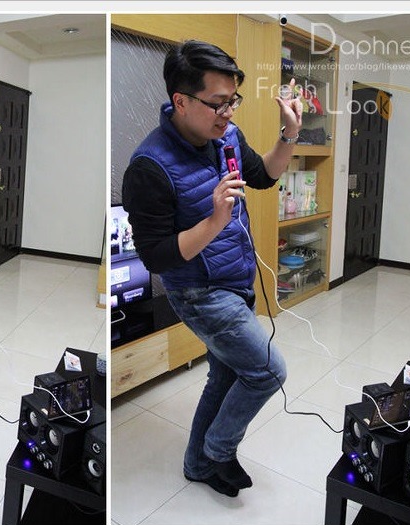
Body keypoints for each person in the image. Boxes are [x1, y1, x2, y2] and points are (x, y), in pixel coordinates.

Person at [121, 40, 302, 497]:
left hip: (236, 279)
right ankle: (219, 449)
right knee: (268, 371)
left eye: (233, 100)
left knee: (225, 374)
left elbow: (263, 175)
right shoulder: (148, 167)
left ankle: (197, 465)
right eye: (218, 103)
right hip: (199, 292)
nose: (228, 113)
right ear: (181, 100)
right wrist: (215, 220)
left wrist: (289, 133)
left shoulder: (227, 136)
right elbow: (157, 257)